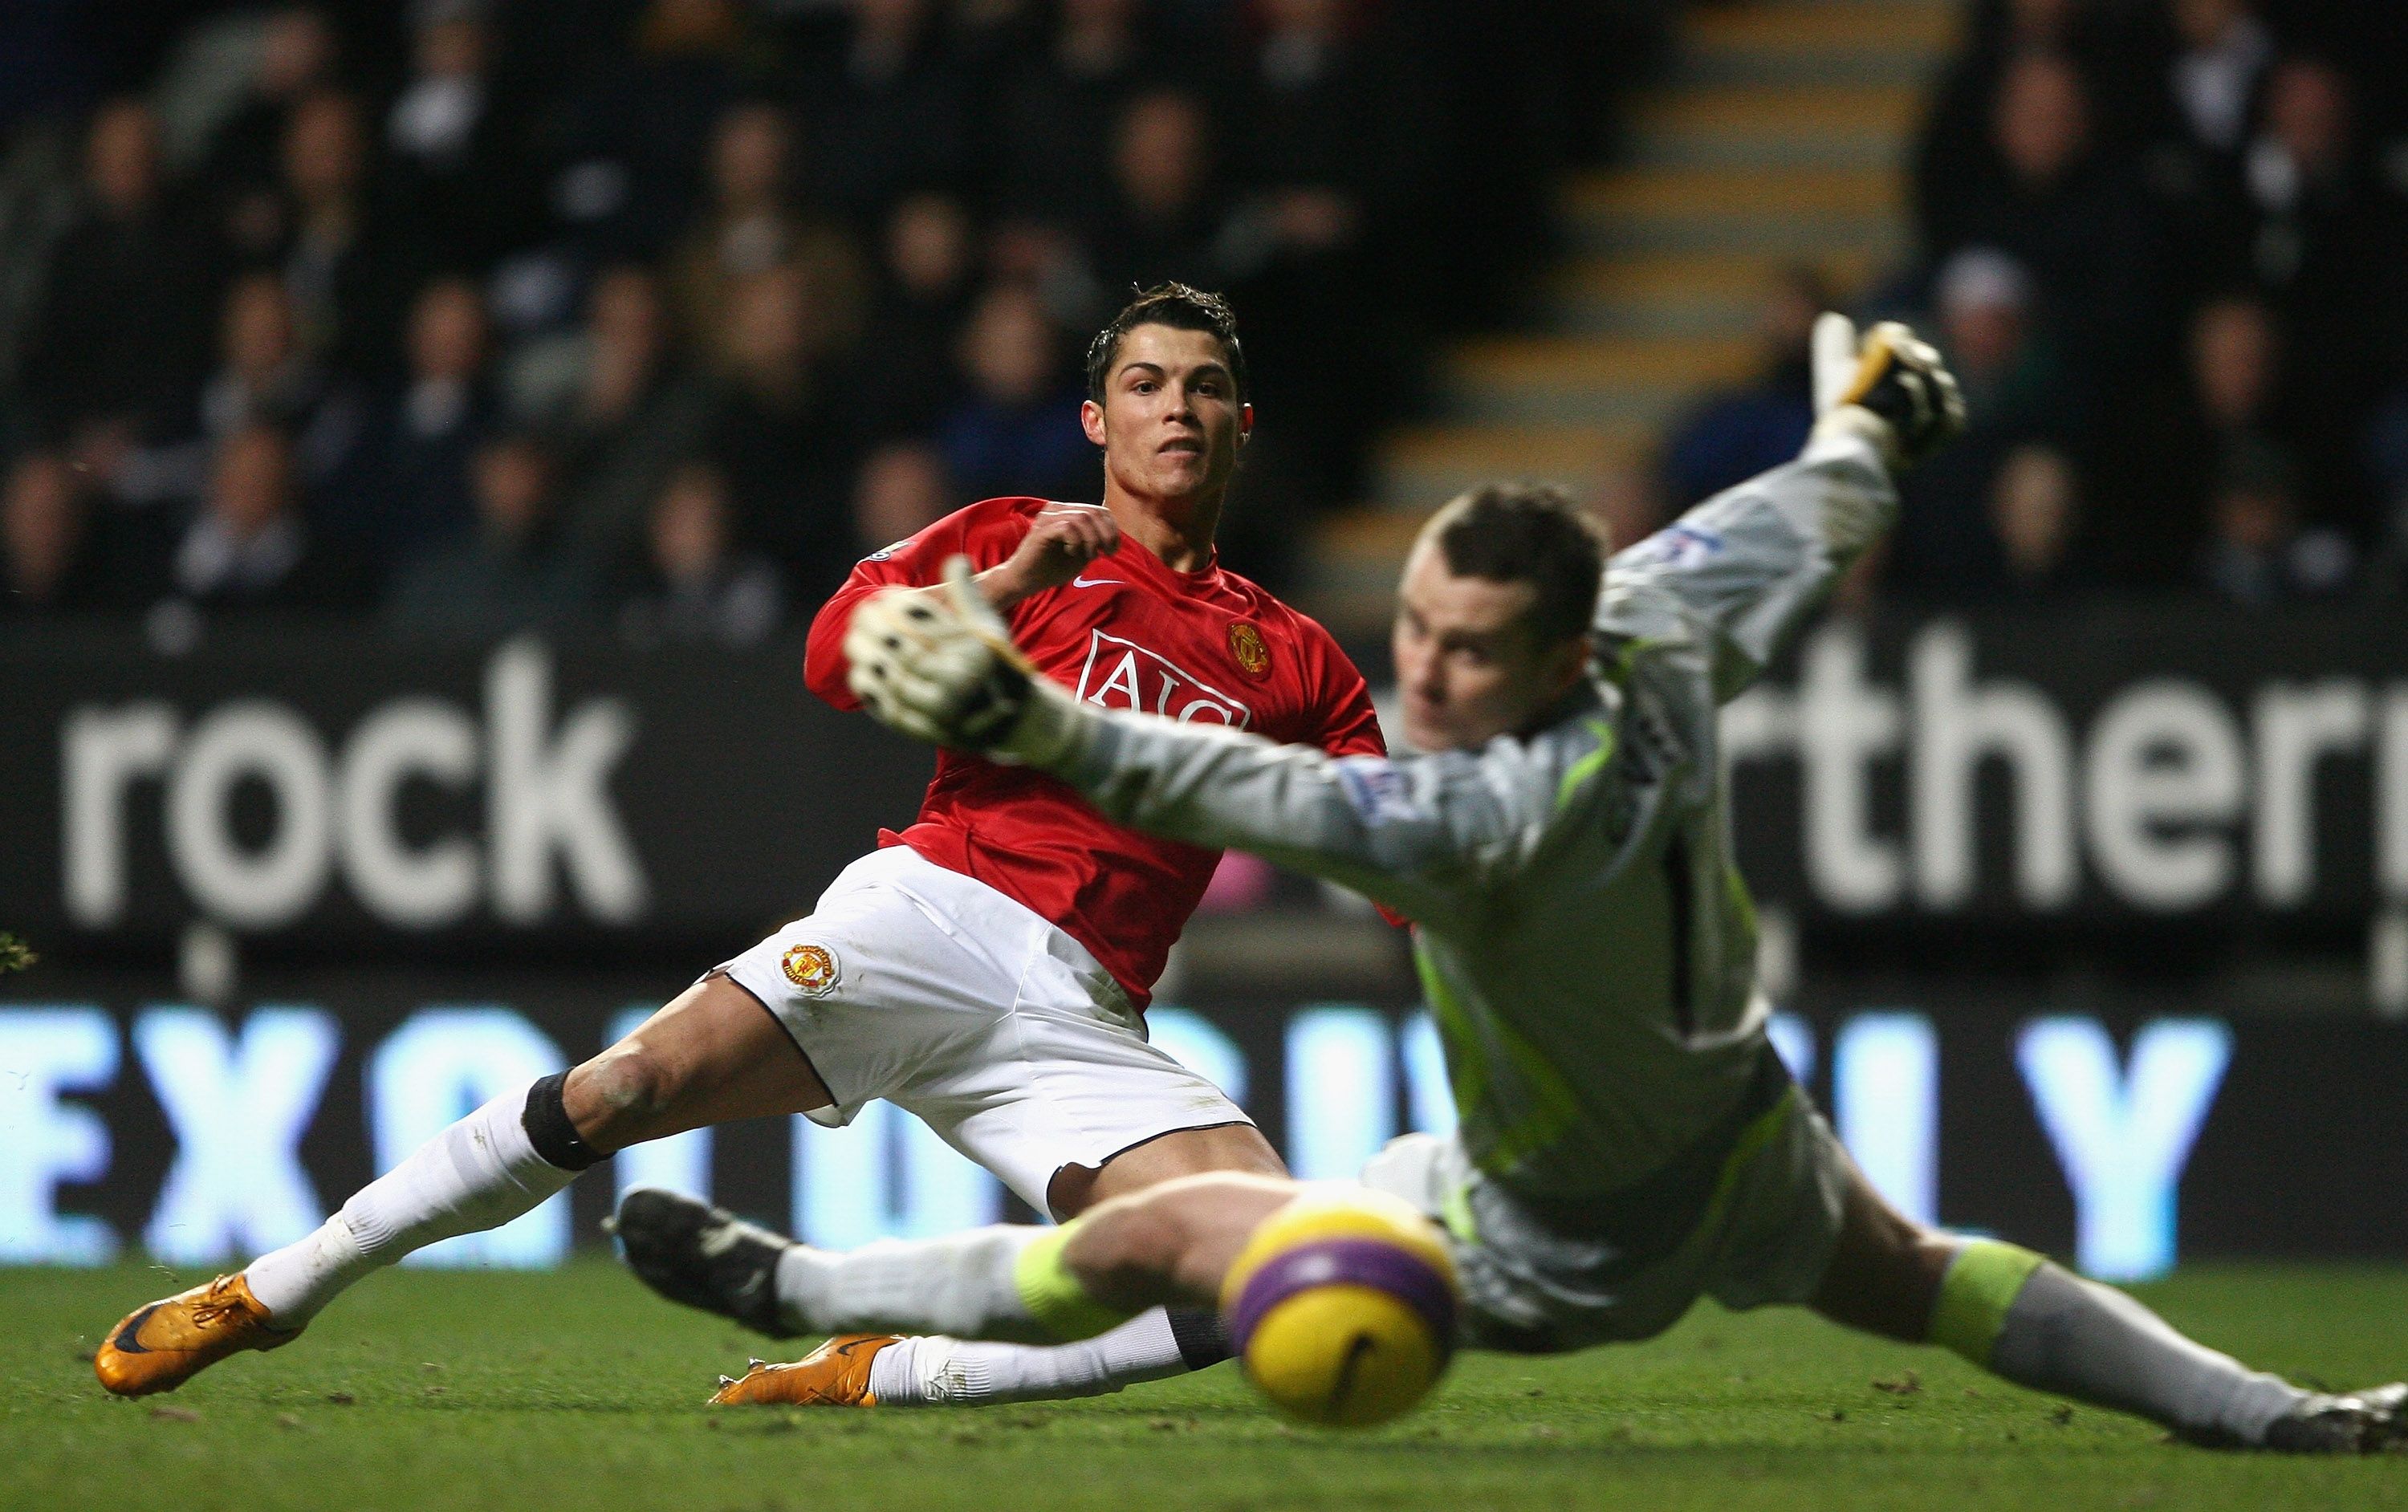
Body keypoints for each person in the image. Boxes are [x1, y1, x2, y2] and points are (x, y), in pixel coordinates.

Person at [624, 316, 2408, 1453]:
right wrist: (1876, 421)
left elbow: (1188, 771)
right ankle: (2277, 1418)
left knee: (1181, 1242)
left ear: (1553, 662)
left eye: (1469, 654)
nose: (1428, 675)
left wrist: (1016, 706)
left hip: (1546, 1236)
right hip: (1742, 1145)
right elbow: (1808, 510)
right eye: (1414, 628)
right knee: (1938, 1276)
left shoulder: (1459, 828)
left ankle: (811, 1299)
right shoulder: (1653, 625)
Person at [91, 283, 1385, 1412]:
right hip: (932, 915)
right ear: (1098, 421)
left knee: (1264, 1277)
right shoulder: (1009, 537)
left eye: (1206, 389)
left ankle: (889, 1373)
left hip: (1088, 1017)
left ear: (1241, 427)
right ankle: (273, 1290)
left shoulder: (1302, 661)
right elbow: (836, 659)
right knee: (624, 1089)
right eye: (1146, 385)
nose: (1178, 409)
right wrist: (1006, 591)